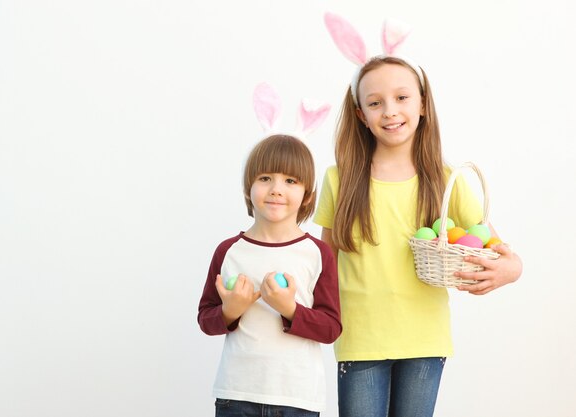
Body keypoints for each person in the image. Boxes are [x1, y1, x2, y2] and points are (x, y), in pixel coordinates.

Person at [316, 14, 523, 417]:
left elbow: (492, 244)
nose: (389, 110)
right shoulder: (339, 178)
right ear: (360, 114)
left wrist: (511, 268)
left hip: (425, 339)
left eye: (402, 97)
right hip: (361, 338)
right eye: (375, 102)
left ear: (423, 104)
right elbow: (326, 262)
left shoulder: (446, 179)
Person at [198, 134, 342, 417]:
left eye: (290, 181)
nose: (276, 189)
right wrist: (229, 311)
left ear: (307, 195)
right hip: (235, 395)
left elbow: (331, 328)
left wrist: (289, 309)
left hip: (297, 398)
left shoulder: (317, 253)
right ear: (247, 188)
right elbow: (206, 320)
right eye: (265, 178)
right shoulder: (229, 251)